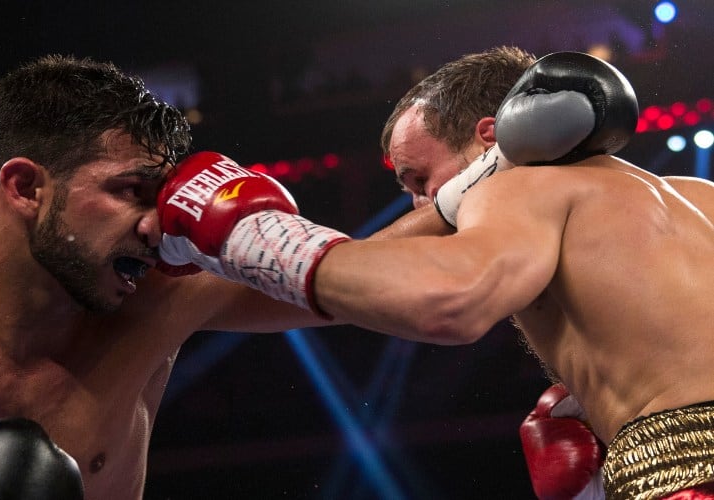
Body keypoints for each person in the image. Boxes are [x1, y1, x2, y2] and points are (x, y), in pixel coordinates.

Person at [0, 54, 453, 500]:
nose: (157, 224)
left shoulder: (163, 298)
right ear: (26, 189)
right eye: (130, 190)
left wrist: (495, 174)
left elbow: (364, 272)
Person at [158, 49, 714, 499]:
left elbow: (452, 299)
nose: (421, 206)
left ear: (493, 137)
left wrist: (251, 237)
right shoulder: (699, 198)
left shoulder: (518, 186)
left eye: (418, 179)